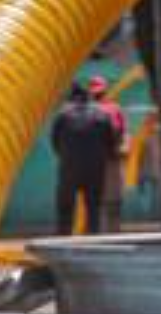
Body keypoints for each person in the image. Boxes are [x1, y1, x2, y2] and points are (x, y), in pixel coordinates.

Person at [51, 83, 120, 235]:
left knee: (66, 206)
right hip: (95, 168)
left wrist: (67, 156)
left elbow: (55, 142)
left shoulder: (62, 115)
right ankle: (93, 239)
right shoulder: (102, 115)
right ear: (88, 98)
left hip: (69, 167)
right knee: (93, 207)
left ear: (71, 98)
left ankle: (63, 238)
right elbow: (111, 142)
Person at [88, 75, 129, 233]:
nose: (98, 95)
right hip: (96, 161)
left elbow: (125, 132)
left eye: (100, 92)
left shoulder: (114, 108)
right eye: (95, 93)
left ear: (105, 91)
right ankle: (102, 234)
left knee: (114, 201)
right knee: (101, 202)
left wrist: (125, 146)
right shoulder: (88, 110)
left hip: (112, 159)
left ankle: (114, 232)